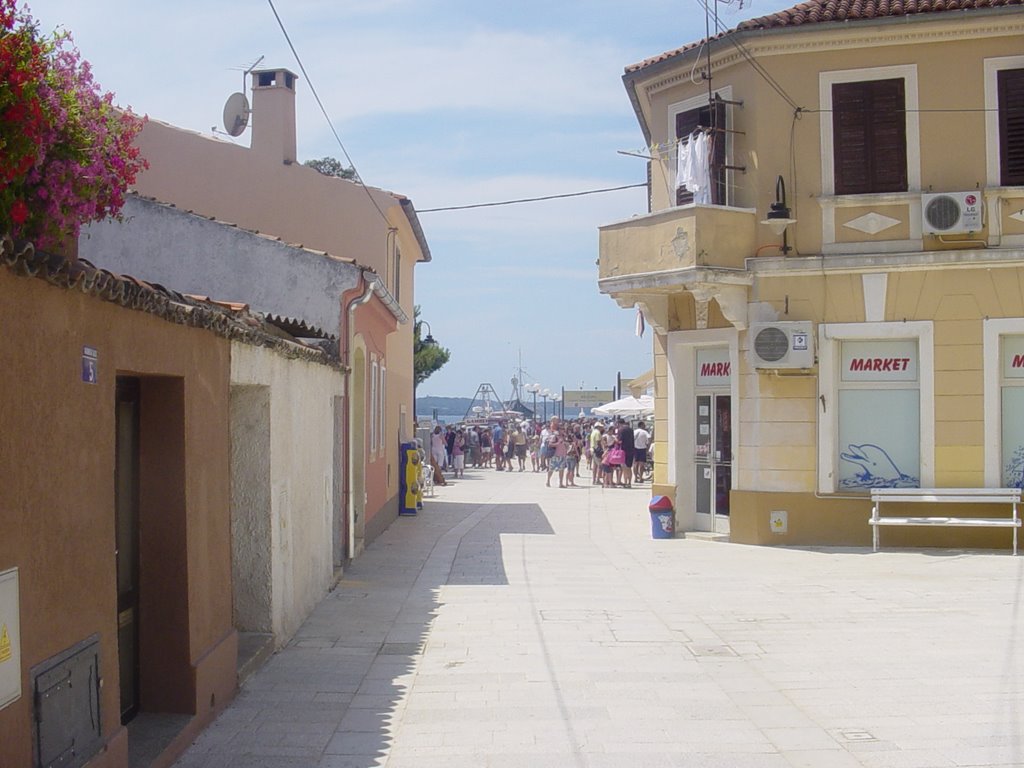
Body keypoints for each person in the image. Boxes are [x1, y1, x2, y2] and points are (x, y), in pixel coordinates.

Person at [617, 418, 635, 489]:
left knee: (624, 467)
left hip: (624, 450)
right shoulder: (630, 429)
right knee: (629, 467)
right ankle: (629, 482)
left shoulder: (621, 430)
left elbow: (620, 440)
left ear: (619, 423)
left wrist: (616, 440)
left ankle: (625, 482)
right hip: (631, 450)